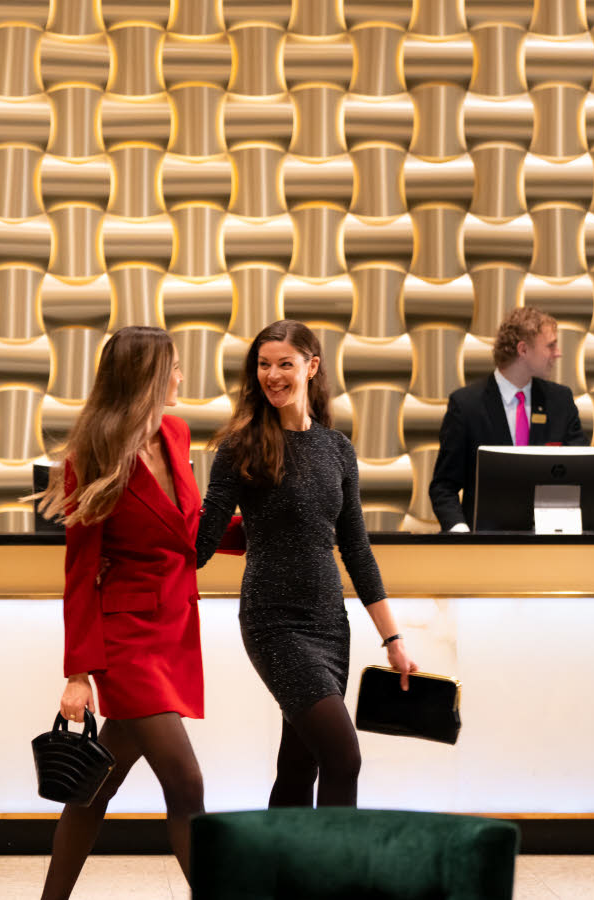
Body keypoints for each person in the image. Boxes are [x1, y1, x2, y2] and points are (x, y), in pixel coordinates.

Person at [195, 319, 418, 808]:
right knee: (343, 757)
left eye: (285, 364)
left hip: (329, 624)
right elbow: (199, 543)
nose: (272, 375)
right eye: (263, 365)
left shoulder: (337, 449)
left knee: (299, 765)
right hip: (273, 623)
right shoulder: (240, 445)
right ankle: (334, 879)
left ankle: (277, 874)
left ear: (312, 367)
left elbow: (356, 550)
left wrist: (393, 640)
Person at [35, 325, 206, 899]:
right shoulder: (94, 455)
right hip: (128, 642)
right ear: (147, 376)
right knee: (186, 786)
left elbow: (191, 529)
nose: (181, 377)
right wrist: (78, 673)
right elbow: (79, 573)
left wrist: (270, 529)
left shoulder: (176, 434)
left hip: (173, 629)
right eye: (174, 367)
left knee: (96, 786)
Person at [428, 307, 587, 532]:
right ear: (523, 349)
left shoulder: (560, 401)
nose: (558, 353)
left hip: (551, 545)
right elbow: (443, 487)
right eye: (550, 345)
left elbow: (583, 472)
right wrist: (461, 533)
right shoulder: (466, 406)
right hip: (485, 549)